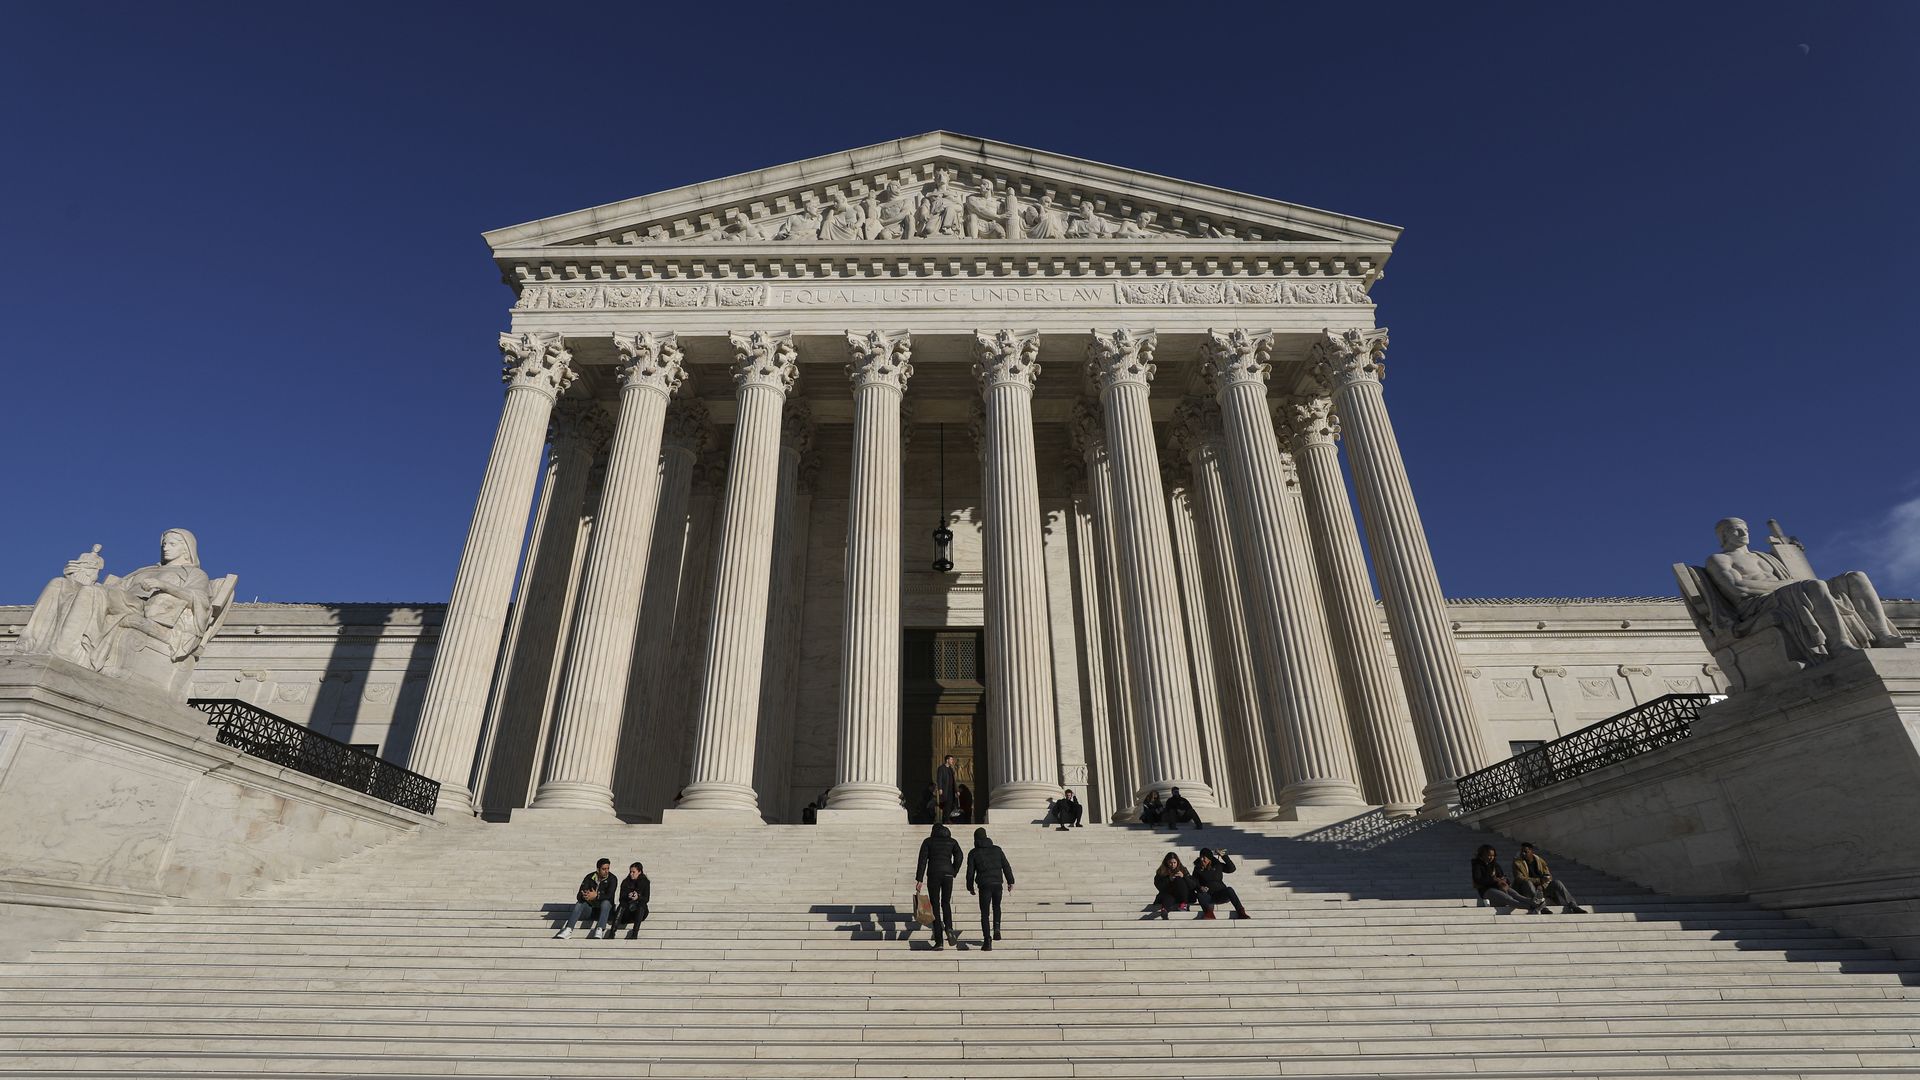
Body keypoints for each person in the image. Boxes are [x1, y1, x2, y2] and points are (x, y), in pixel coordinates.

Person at [914, 823, 963, 950]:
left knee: (935, 905)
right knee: (945, 903)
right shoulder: (952, 841)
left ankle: (939, 941)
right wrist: (954, 870)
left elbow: (922, 860)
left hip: (934, 874)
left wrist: (919, 879)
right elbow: (960, 856)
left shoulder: (928, 842)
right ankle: (949, 928)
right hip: (948, 875)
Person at [965, 827, 1015, 951]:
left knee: (985, 913)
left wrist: (970, 886)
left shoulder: (973, 852)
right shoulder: (997, 850)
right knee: (996, 907)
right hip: (997, 883)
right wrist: (1010, 881)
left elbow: (970, 872)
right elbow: (1006, 865)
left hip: (984, 885)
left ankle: (987, 940)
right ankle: (997, 928)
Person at [1471, 844, 1549, 914]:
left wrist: (1504, 880)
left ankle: (1536, 903)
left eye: (1493, 855)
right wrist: (1495, 880)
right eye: (1489, 855)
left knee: (1517, 895)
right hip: (1487, 890)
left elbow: (1503, 877)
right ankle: (1533, 907)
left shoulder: (1495, 865)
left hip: (1500, 887)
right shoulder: (1477, 865)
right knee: (1509, 899)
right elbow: (1478, 880)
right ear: (1482, 854)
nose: (1491, 857)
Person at [1513, 843, 1588, 914]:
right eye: (1522, 851)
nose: (1523, 853)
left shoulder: (1540, 861)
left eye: (1526, 852)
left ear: (1531, 851)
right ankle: (1542, 907)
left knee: (1557, 882)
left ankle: (1574, 906)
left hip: (1541, 889)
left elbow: (1548, 876)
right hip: (1527, 890)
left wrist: (1542, 886)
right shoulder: (1517, 862)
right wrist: (1539, 881)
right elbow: (1520, 878)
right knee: (1528, 883)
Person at [556, 858, 618, 939]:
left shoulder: (612, 879)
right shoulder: (589, 877)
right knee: (579, 903)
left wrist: (597, 896)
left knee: (606, 903)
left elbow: (610, 895)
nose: (606, 871)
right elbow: (579, 896)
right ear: (598, 869)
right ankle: (568, 929)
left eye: (608, 868)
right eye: (604, 869)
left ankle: (600, 929)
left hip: (606, 912)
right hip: (591, 911)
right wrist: (585, 895)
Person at [1191, 848, 1249, 919]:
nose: (1202, 859)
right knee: (1200, 894)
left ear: (1209, 858)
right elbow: (1194, 882)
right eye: (1201, 857)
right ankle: (1209, 913)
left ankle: (1241, 912)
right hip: (1208, 896)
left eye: (1204, 857)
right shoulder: (1197, 869)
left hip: (1220, 894)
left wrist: (1224, 856)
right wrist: (1200, 887)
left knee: (1229, 889)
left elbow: (1231, 869)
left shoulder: (1217, 865)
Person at [613, 862, 651, 938]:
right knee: (622, 905)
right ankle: (612, 931)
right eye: (630, 871)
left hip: (639, 911)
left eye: (634, 872)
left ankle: (635, 933)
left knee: (642, 905)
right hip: (627, 912)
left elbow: (646, 899)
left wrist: (638, 897)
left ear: (639, 872)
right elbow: (621, 899)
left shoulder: (645, 882)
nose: (631, 874)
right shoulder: (625, 882)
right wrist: (628, 896)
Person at [1152, 853, 1193, 919]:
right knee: (1168, 898)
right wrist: (1169, 879)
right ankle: (1164, 911)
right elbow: (1159, 886)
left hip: (1182, 895)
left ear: (1177, 862)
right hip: (1169, 893)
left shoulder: (1183, 869)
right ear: (1167, 862)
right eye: (1170, 863)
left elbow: (1192, 885)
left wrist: (1184, 877)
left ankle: (1184, 904)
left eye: (1174, 862)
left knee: (1179, 879)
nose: (1173, 865)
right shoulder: (1161, 871)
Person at [936, 756, 959, 823]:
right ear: (947, 760)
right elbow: (939, 778)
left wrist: (956, 790)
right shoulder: (941, 768)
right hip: (945, 789)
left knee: (950, 804)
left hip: (951, 790)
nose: (952, 761)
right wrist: (940, 788)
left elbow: (954, 781)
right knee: (946, 805)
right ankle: (946, 820)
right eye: (951, 759)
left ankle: (947, 819)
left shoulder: (951, 769)